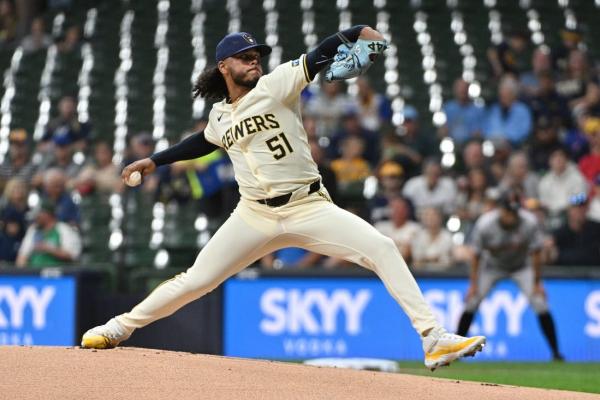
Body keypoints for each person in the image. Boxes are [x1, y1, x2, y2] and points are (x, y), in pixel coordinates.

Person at [81, 26, 485, 370]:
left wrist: (362, 34)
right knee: (196, 281)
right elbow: (202, 142)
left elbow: (323, 51)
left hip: (308, 206)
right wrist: (154, 160)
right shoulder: (220, 116)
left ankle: (434, 338)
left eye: (256, 54)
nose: (254, 60)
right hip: (253, 214)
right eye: (244, 56)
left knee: (381, 247)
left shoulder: (277, 83)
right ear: (224, 67)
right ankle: (117, 327)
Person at [456, 190, 564, 361]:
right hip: (491, 266)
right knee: (472, 301)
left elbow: (536, 253)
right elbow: (475, 255)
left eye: (515, 211)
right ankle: (457, 351)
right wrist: (473, 284)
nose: (511, 216)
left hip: (521, 267)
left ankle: (556, 353)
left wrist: (537, 283)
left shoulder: (529, 222)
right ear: (501, 209)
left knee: (539, 302)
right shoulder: (486, 224)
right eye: (508, 211)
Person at [15, 199, 81, 268]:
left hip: (59, 274)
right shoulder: (33, 230)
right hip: (34, 274)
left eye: (38, 214)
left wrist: (48, 249)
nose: (35, 217)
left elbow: (73, 255)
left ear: (47, 214)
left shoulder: (64, 229)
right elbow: (22, 256)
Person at [483, 76, 533, 146]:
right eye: (502, 95)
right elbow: (487, 128)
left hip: (513, 145)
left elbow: (525, 131)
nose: (503, 98)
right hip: (493, 144)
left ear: (513, 95)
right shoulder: (495, 109)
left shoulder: (522, 110)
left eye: (507, 94)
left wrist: (509, 139)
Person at [538, 147, 587, 218]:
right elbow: (544, 203)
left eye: (561, 156)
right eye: (554, 156)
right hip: (552, 216)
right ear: (549, 161)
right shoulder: (545, 181)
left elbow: (582, 196)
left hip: (572, 214)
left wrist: (568, 204)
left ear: (566, 159)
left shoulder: (577, 177)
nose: (558, 159)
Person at [440, 78, 484, 145]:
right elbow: (442, 130)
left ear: (468, 90)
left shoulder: (477, 109)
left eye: (464, 88)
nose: (462, 91)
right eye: (460, 88)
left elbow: (479, 132)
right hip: (451, 144)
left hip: (470, 144)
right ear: (455, 90)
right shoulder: (448, 108)